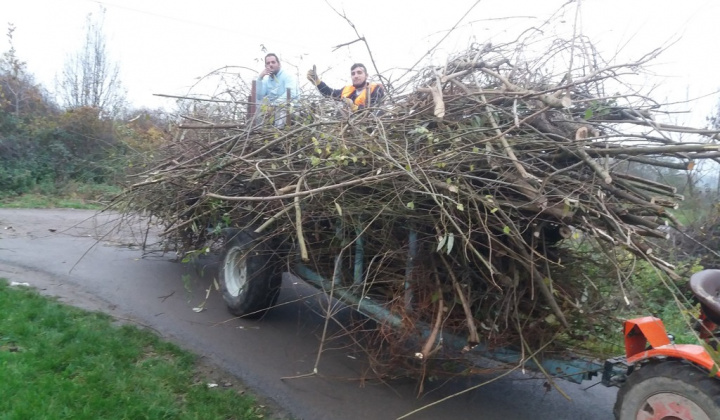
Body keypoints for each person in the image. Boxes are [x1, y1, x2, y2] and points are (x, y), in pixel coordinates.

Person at [306, 63, 384, 112]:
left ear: (366, 75)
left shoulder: (376, 89)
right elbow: (329, 93)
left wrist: (356, 108)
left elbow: (375, 110)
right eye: (353, 74)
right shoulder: (347, 90)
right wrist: (317, 81)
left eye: (359, 73)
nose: (356, 76)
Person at [255, 53, 298, 128]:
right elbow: (259, 97)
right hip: (272, 110)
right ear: (265, 66)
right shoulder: (266, 80)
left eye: (273, 62)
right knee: (257, 104)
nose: (270, 65)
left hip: (292, 109)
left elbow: (292, 94)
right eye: (268, 63)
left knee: (281, 108)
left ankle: (278, 133)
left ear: (279, 64)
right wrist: (260, 78)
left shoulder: (288, 76)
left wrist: (273, 105)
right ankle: (257, 131)